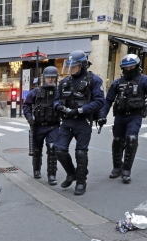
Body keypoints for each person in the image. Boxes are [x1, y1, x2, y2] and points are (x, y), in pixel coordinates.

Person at [97, 54, 147, 184]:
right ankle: (117, 167)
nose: (129, 69)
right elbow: (108, 100)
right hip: (120, 116)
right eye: (126, 67)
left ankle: (126, 170)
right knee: (117, 141)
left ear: (137, 66)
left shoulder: (145, 81)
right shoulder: (117, 83)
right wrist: (102, 115)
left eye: (131, 66)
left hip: (135, 115)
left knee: (131, 140)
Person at [53, 50, 105, 195]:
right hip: (67, 121)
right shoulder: (65, 81)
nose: (70, 69)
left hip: (82, 121)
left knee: (80, 152)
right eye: (68, 66)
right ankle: (71, 174)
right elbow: (56, 99)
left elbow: (100, 101)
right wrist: (58, 106)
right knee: (59, 149)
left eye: (73, 66)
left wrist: (79, 110)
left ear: (82, 65)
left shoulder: (94, 80)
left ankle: (81, 182)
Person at [22, 66, 61, 185]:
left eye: (52, 77)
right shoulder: (35, 92)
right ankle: (37, 169)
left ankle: (52, 174)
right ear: (43, 78)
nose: (50, 79)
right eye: (48, 77)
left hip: (53, 126)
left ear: (55, 78)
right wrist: (29, 117)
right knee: (37, 149)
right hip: (38, 126)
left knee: (52, 148)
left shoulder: (59, 92)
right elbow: (26, 106)